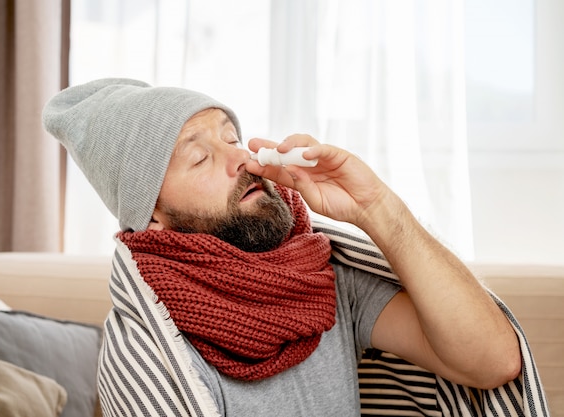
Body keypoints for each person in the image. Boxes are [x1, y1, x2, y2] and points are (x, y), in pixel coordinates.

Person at [43, 78, 524, 416]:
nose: (244, 160)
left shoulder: (316, 276)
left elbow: (492, 362)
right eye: (200, 157)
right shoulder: (145, 360)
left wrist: (375, 205)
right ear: (153, 217)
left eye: (233, 139)